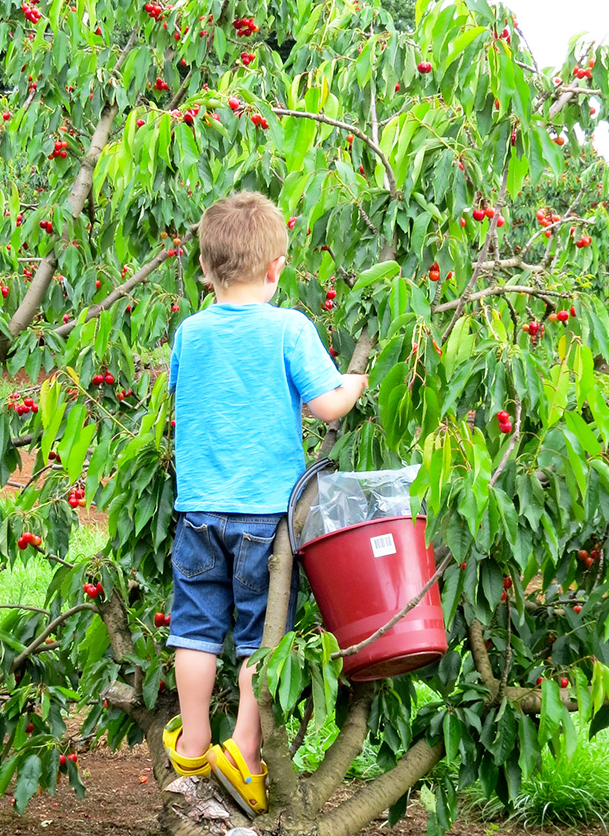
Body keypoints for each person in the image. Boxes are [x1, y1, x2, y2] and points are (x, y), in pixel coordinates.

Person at [161, 191, 367, 816]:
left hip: (199, 509)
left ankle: (193, 745)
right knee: (258, 638)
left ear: (205, 267)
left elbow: (193, 397)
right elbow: (327, 404)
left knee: (194, 629)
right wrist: (354, 381)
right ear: (277, 267)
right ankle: (244, 753)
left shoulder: (190, 332)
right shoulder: (289, 328)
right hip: (265, 519)